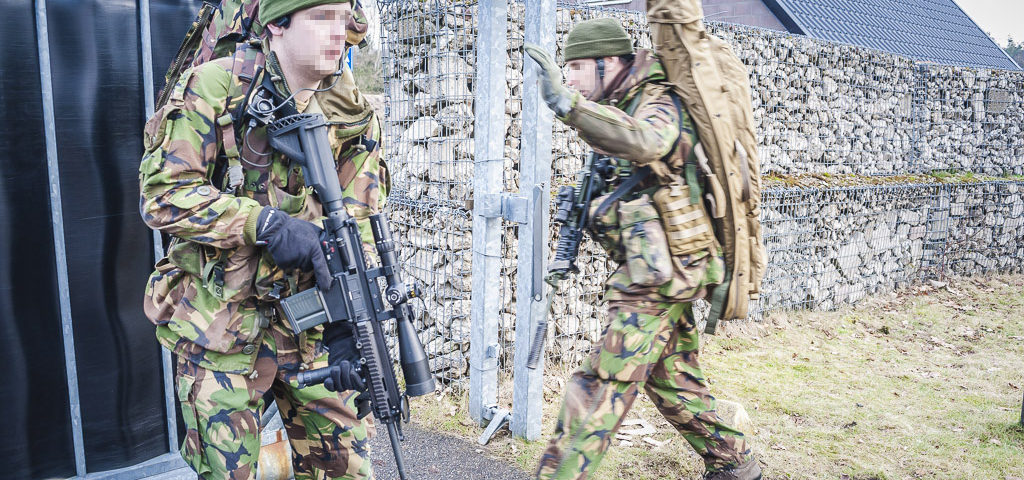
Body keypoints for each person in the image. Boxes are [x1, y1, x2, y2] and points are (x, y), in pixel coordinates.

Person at [138, 1, 387, 478]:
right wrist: (264, 224)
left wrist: (352, 308)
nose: (338, 33)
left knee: (349, 468)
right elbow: (162, 195)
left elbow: (359, 218)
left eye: (343, 19)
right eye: (320, 18)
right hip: (220, 324)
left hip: (312, 327)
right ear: (276, 24)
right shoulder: (216, 86)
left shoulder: (352, 114)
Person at [525, 18, 761, 480]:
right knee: (671, 377)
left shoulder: (657, 101)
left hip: (662, 273)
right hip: (658, 269)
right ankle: (733, 460)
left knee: (602, 381)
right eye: (566, 69)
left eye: (576, 66)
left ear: (608, 61)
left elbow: (648, 140)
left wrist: (568, 104)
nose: (568, 77)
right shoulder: (619, 103)